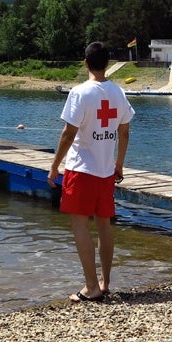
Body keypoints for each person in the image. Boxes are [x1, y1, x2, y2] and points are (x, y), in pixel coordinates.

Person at [48, 42, 135, 302]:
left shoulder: (80, 93)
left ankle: (90, 287)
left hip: (82, 169)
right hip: (106, 170)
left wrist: (54, 165)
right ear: (107, 64)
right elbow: (124, 132)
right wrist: (119, 163)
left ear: (85, 63)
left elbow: (68, 133)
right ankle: (105, 282)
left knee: (79, 224)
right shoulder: (118, 92)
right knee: (103, 224)